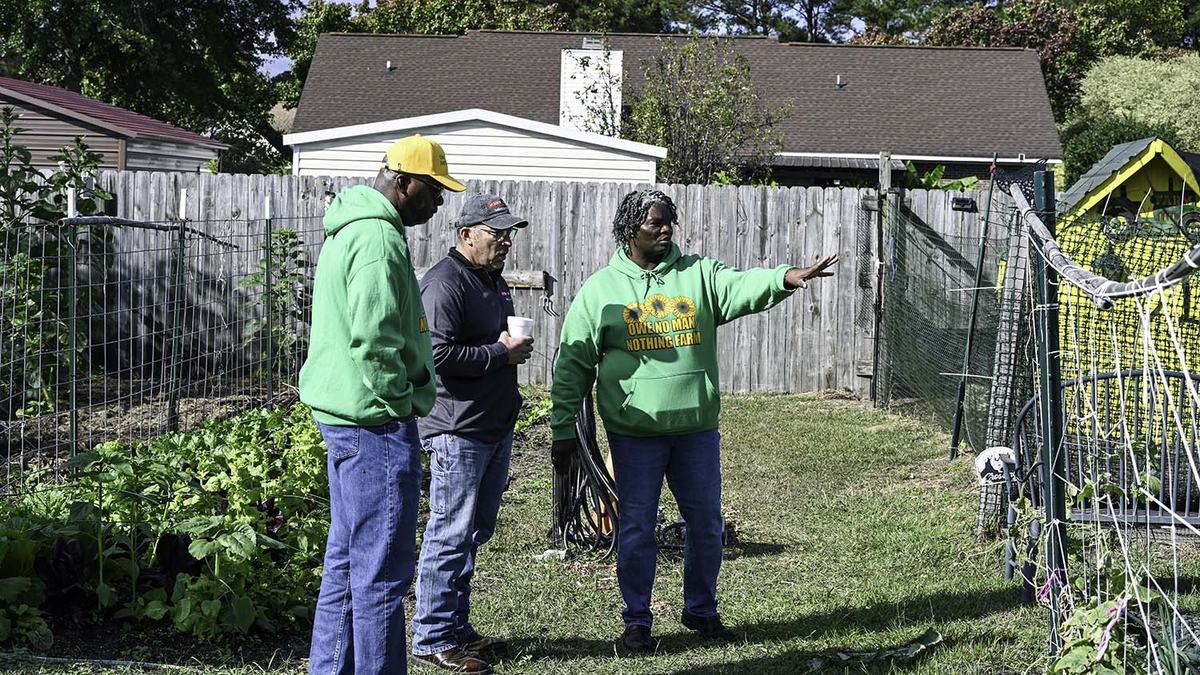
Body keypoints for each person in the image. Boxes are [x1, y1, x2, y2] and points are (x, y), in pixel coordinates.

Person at [548, 189, 838, 654]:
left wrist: (787, 277)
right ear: (629, 230)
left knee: (706, 523)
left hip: (695, 432)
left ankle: (700, 610)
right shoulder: (601, 289)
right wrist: (563, 428)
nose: (665, 230)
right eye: (654, 223)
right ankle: (638, 621)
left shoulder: (697, 275)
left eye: (669, 223)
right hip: (635, 434)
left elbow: (741, 285)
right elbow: (574, 364)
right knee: (637, 528)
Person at [299, 134, 465, 674]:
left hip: (344, 418)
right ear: (403, 181)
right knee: (381, 575)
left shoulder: (351, 229)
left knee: (346, 561)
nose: (438, 203)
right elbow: (373, 341)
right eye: (433, 190)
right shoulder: (377, 240)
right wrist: (399, 402)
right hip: (374, 424)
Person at [410, 194, 533, 674]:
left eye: (509, 234)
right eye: (495, 233)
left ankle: (457, 629)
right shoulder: (443, 284)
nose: (505, 242)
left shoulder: (491, 280)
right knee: (449, 533)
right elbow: (435, 356)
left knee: (473, 533)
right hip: (457, 430)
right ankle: (433, 636)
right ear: (466, 235)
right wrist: (499, 355)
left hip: (492, 426)